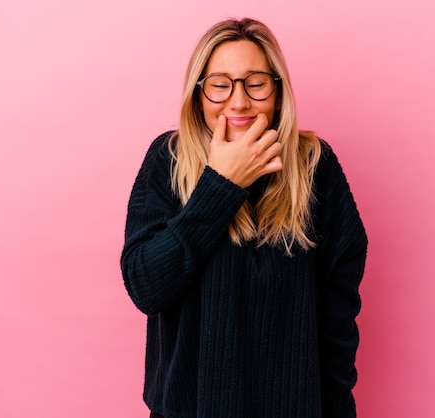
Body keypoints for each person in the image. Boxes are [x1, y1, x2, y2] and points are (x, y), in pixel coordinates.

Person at [120, 17, 368, 418]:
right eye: (220, 84)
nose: (239, 101)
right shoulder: (167, 160)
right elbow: (146, 287)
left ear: (278, 92)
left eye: (255, 82)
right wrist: (220, 185)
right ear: (199, 95)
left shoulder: (314, 166)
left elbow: (337, 320)